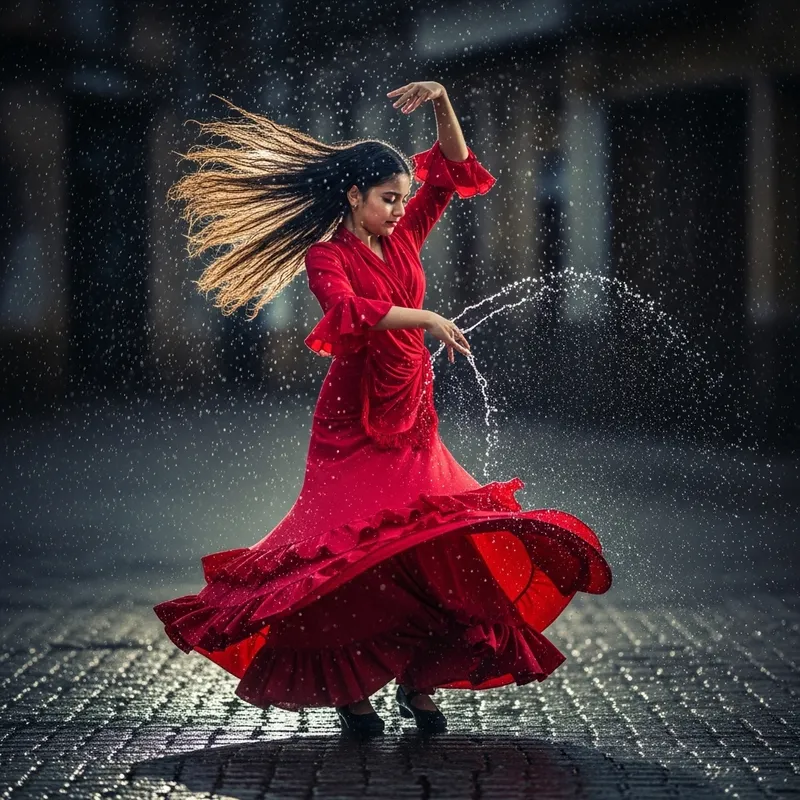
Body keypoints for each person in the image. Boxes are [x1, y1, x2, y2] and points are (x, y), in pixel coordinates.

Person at [154, 80, 613, 737]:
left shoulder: (403, 236)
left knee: (437, 547)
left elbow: (451, 175)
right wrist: (426, 314)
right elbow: (349, 314)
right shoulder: (326, 255)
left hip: (413, 419)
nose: (401, 211)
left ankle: (421, 682)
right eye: (387, 199)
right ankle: (350, 693)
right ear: (353, 196)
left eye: (403, 199)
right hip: (351, 424)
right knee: (347, 555)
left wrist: (445, 102)